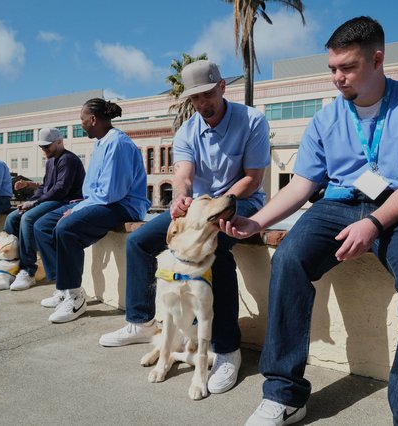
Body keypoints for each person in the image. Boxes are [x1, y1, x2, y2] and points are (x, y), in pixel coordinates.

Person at [221, 17, 398, 426]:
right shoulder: (325, 119)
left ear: (377, 59)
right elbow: (301, 185)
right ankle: (284, 394)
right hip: (339, 206)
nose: (337, 78)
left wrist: (374, 225)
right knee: (289, 258)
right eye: (332, 68)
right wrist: (256, 222)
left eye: (346, 67)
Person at [99, 60, 271, 396]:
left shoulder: (252, 121)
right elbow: (184, 176)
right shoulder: (188, 130)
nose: (202, 103)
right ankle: (140, 321)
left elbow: (253, 179)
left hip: (240, 200)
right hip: (198, 206)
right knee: (140, 241)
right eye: (195, 98)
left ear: (222, 87)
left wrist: (216, 205)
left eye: (207, 94)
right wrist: (181, 200)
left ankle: (226, 349)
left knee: (216, 248)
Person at [34, 98, 150, 324]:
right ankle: (64, 289)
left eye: (82, 120)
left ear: (93, 119)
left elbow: (112, 193)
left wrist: (78, 208)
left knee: (66, 227)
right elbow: (94, 191)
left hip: (122, 206)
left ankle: (76, 298)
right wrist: (79, 205)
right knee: (42, 225)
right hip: (99, 202)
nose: (81, 124)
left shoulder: (117, 144)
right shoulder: (101, 143)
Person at [2, 127, 85, 291]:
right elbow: (45, 188)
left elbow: (61, 190)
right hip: (53, 199)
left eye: (47, 146)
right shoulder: (51, 161)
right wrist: (31, 201)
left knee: (28, 218)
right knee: (13, 217)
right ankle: (11, 264)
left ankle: (28, 270)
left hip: (66, 201)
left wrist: (34, 203)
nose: (44, 150)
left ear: (60, 142)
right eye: (41, 147)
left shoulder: (68, 159)